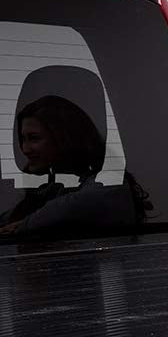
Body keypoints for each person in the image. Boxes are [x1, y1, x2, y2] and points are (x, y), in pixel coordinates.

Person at [0, 95, 151, 236]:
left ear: (64, 138)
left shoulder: (109, 184)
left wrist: (25, 225)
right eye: (23, 139)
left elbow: (74, 206)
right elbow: (12, 218)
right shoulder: (50, 189)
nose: (25, 149)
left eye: (34, 138)